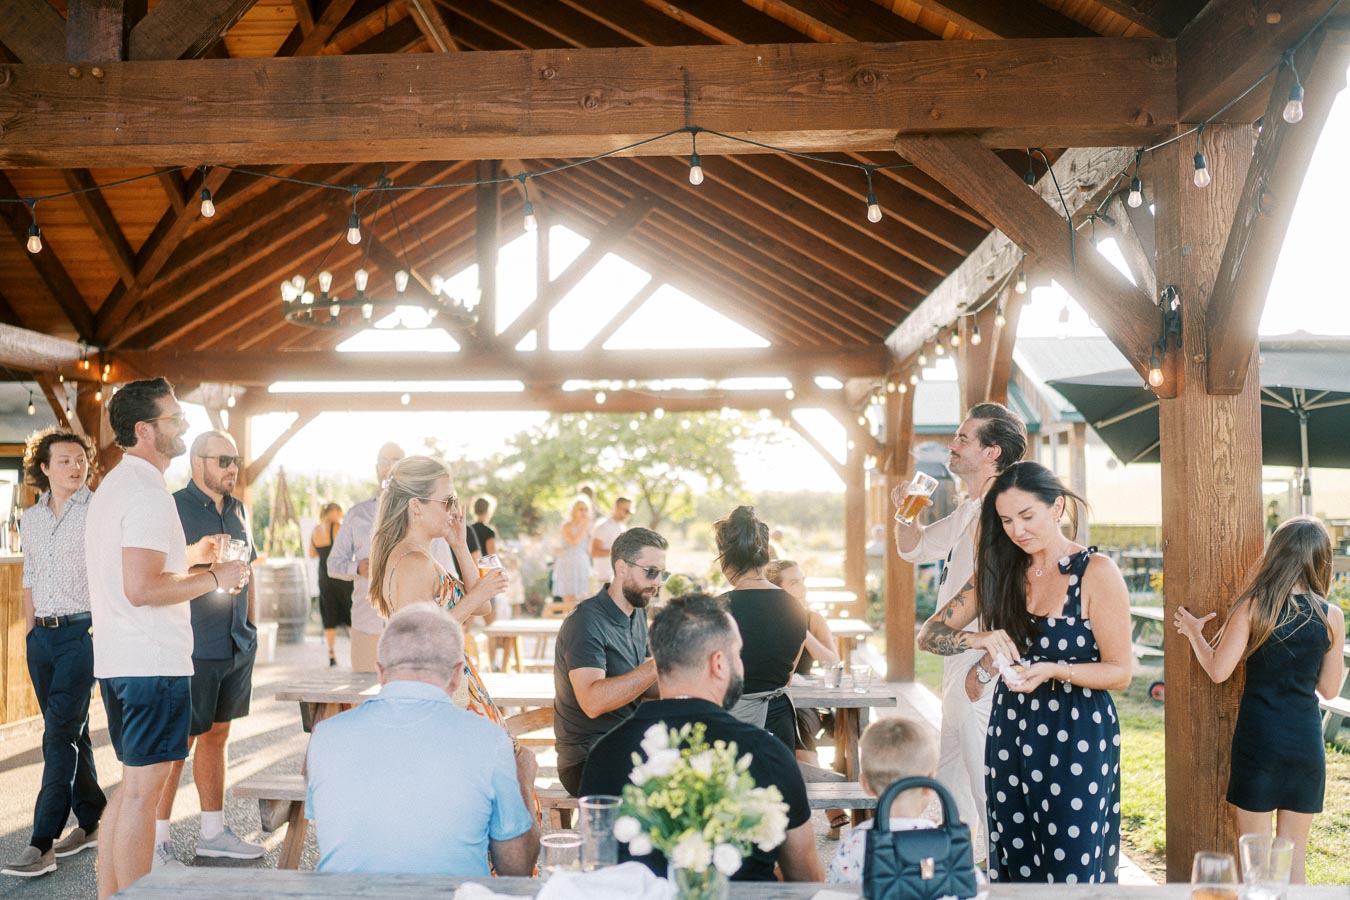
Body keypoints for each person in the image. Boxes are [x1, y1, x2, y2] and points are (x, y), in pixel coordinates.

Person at [918, 461, 1131, 884]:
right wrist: (980, 642)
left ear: (1057, 508)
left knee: (1070, 865)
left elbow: (1121, 672)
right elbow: (929, 634)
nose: (1018, 530)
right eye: (1007, 520)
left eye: (1027, 516)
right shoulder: (1000, 573)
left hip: (1077, 736)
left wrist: (1054, 669)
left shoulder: (1095, 572)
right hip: (1010, 729)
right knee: (1015, 859)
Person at [82, 378, 248, 899]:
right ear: (144, 430)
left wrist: (191, 557)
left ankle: (111, 895)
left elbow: (134, 572)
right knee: (141, 800)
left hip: (119, 658)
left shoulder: (116, 485)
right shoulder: (150, 494)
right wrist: (216, 578)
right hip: (152, 662)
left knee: (128, 792)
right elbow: (143, 587)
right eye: (174, 419)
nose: (184, 426)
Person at [579, 592, 822, 883]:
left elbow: (595, 867)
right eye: (737, 655)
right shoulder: (767, 752)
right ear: (719, 663)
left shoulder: (606, 752)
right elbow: (806, 880)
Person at [306, 603, 538, 875]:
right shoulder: (489, 740)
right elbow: (517, 870)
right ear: (456, 674)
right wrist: (523, 779)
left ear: (380, 672)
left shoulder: (325, 737)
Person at [1174, 517, 1344, 883]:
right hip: (1305, 746)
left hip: (1260, 743)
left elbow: (1218, 671)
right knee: (1294, 862)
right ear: (1320, 560)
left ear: (1275, 554)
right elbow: (1330, 691)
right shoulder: (1331, 616)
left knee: (1257, 863)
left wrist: (1193, 633)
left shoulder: (1253, 607)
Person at [903, 402, 1027, 859]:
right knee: (952, 776)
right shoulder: (970, 507)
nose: (951, 447)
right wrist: (904, 513)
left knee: (984, 785)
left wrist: (985, 664)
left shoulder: (1004, 510)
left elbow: (1023, 590)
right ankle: (959, 870)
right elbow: (913, 549)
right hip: (954, 658)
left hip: (983, 663)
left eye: (962, 439)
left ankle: (1002, 878)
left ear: (992, 451)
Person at [154, 430, 263, 863]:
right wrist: (200, 557)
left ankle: (213, 833)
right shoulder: (171, 507)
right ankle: (157, 842)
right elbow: (156, 567)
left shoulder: (239, 509)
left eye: (234, 460)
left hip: (236, 641)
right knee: (178, 744)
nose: (232, 468)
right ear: (197, 462)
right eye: (223, 460)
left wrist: (252, 621)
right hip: (193, 642)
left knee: (217, 736)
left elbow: (248, 566)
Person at [2, 430, 104, 879]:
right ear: (43, 468)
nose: (75, 467)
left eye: (80, 460)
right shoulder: (32, 517)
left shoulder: (99, 511)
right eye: (64, 461)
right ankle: (92, 816)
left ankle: (41, 842)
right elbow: (29, 577)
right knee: (69, 730)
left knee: (58, 735)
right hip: (41, 639)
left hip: (82, 635)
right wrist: (29, 632)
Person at [553, 527, 665, 796]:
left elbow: (638, 683)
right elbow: (593, 702)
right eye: (651, 572)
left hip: (626, 744)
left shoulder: (636, 612)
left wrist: (689, 680)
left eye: (663, 574)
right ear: (622, 568)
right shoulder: (586, 620)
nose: (658, 582)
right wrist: (660, 660)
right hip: (586, 760)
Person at [328, 443, 454, 673]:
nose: (388, 466)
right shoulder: (357, 515)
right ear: (376, 467)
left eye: (396, 460)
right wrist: (358, 567)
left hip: (418, 633)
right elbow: (332, 564)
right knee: (364, 697)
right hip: (368, 623)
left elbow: (449, 580)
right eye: (383, 460)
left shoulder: (428, 518)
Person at [764, 558, 848, 838]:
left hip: (808, 702)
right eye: (794, 582)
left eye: (802, 579)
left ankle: (810, 811)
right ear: (778, 589)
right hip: (777, 700)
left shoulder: (813, 619)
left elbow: (833, 662)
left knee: (797, 720)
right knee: (786, 718)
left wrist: (802, 632)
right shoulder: (767, 621)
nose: (802, 586)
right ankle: (828, 805)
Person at [715, 506, 806, 750]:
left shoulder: (717, 609)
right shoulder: (794, 606)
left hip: (731, 726)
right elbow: (786, 677)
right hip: (779, 723)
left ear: (726, 560)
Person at [827, 717, 940, 883]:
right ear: (930, 782)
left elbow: (836, 889)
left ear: (865, 784)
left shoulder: (857, 843)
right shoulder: (943, 842)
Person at [310, 502, 353, 667]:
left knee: (329, 614)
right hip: (340, 576)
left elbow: (312, 554)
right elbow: (347, 549)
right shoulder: (337, 527)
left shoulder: (315, 530)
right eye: (340, 512)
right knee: (349, 612)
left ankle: (331, 653)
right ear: (334, 512)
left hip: (324, 577)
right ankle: (356, 649)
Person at [553, 498, 592, 608]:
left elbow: (588, 545)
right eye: (580, 509)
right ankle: (569, 622)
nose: (583, 512)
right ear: (574, 510)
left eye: (585, 509)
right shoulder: (566, 526)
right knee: (569, 594)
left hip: (582, 561)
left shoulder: (587, 527)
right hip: (568, 561)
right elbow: (574, 542)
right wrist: (583, 527)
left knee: (584, 593)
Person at [589, 496, 632, 584]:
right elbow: (593, 552)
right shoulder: (603, 526)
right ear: (616, 508)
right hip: (603, 578)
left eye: (630, 512)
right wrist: (617, 552)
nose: (629, 514)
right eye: (626, 511)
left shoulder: (623, 527)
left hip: (617, 578)